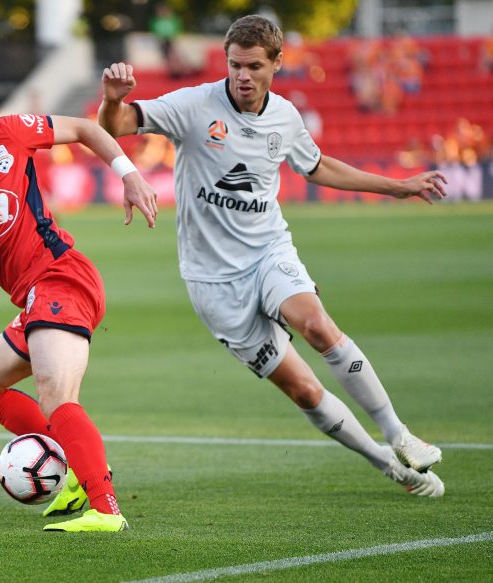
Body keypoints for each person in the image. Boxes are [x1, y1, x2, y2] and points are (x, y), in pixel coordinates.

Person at [98, 15, 448, 497]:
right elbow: (118, 125)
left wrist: (397, 187)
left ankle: (399, 434)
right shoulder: (194, 105)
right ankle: (386, 461)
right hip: (213, 282)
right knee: (303, 390)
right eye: (235, 65)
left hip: (268, 251)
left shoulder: (284, 117)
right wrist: (113, 98)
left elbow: (318, 165)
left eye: (255, 66)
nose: (243, 76)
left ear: (277, 64)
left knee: (318, 325)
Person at [0, 75, 157, 532]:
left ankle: (104, 509)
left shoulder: (6, 132)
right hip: (34, 297)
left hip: (61, 277)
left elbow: (86, 129)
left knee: (54, 389)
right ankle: (77, 464)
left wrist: (129, 175)